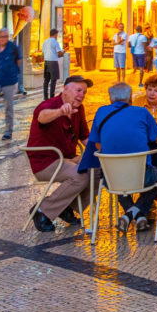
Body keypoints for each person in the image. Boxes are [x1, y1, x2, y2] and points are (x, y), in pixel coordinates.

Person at [88, 82, 157, 233]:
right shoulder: (141, 112)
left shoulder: (101, 112)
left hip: (113, 178)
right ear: (130, 97)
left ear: (110, 98)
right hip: (142, 176)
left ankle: (130, 214)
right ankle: (136, 213)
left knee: (116, 178)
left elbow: (98, 146)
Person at [25, 75, 93, 232]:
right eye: (78, 90)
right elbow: (42, 117)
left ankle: (63, 207)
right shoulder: (50, 105)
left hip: (67, 159)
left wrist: (103, 149)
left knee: (97, 170)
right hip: (46, 162)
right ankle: (43, 210)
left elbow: (85, 137)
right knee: (81, 175)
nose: (81, 95)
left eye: (84, 92)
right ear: (65, 89)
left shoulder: (78, 109)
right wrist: (60, 112)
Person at [42, 28, 63, 99]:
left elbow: (43, 52)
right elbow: (59, 52)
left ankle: (45, 97)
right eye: (57, 35)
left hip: (46, 62)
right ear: (55, 34)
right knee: (53, 80)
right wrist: (63, 51)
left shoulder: (45, 42)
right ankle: (52, 97)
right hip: (53, 62)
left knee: (46, 80)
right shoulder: (55, 42)